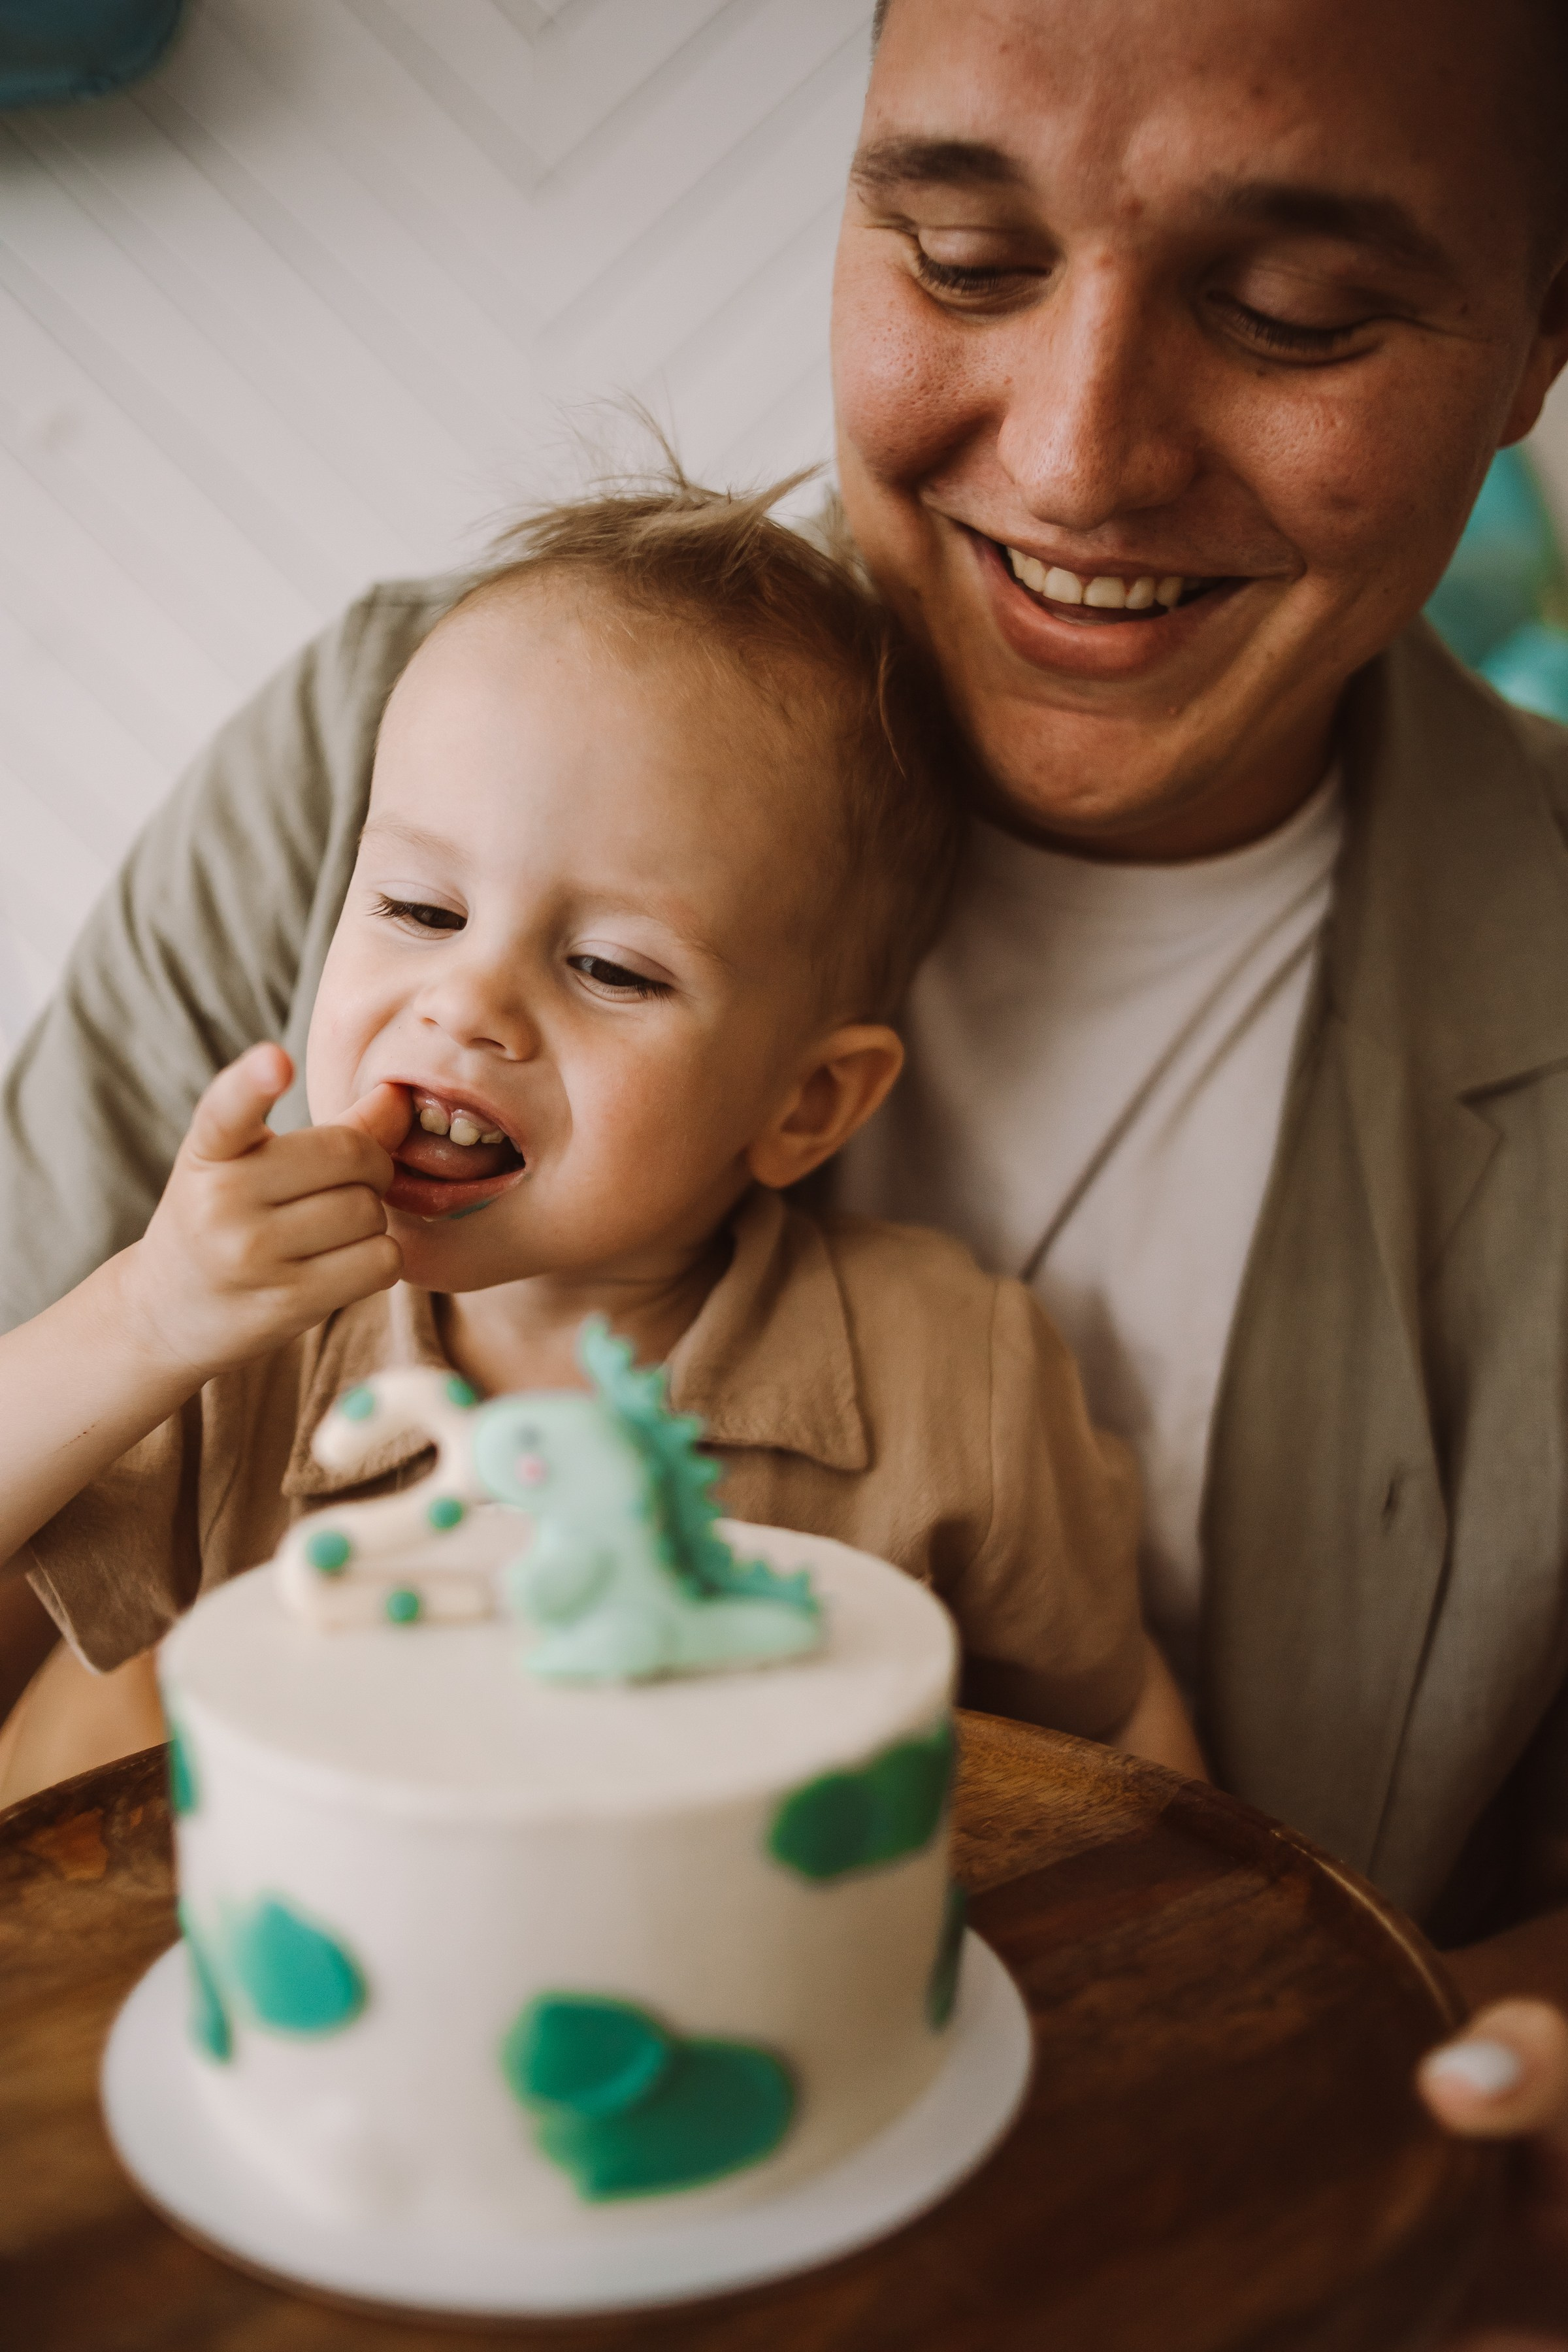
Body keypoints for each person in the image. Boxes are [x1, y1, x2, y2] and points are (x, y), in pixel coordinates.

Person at [3, 0, 1568, 2323]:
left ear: (1539, 337)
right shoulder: (412, 743)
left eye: (1296, 312)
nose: (1080, 454)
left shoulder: (958, 1374)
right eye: (963, 256)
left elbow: (1182, 1811)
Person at [0, 479, 1201, 1802]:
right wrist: (146, 1318)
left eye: (611, 970)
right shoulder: (243, 1341)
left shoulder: (955, 1377)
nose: (466, 1003)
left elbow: (1115, 1723)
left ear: (805, 1105)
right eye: (419, 909)